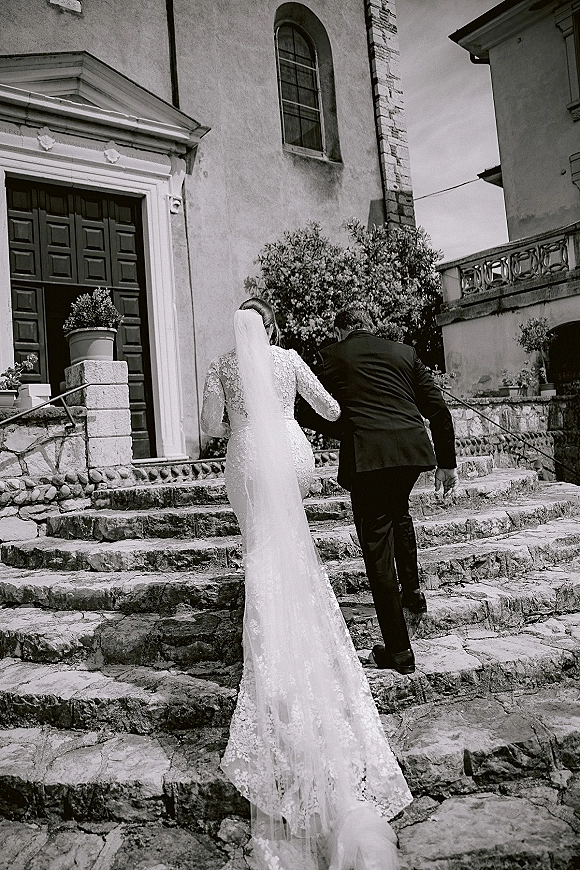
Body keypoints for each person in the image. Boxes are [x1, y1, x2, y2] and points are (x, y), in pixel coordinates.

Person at [201, 297, 412, 870]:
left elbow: (205, 427)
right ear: (269, 325)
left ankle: (268, 639)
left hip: (246, 457)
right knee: (292, 546)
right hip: (291, 453)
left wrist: (241, 420)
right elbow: (332, 410)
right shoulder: (289, 357)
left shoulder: (222, 367)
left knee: (262, 551)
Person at [298, 307, 457, 676]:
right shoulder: (404, 352)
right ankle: (413, 591)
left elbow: (305, 408)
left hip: (369, 458)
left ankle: (399, 652)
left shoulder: (330, 356)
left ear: (341, 331)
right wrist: (447, 463)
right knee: (399, 512)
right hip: (410, 452)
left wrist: (349, 430)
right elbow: (438, 409)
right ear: (369, 326)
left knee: (376, 548)